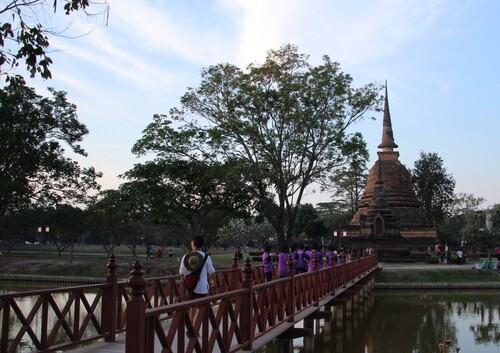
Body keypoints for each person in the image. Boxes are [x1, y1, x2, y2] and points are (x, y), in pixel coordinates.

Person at [179, 236, 216, 325]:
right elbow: (212, 272)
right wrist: (213, 282)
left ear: (193, 244)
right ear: (202, 245)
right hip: (202, 286)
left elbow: (181, 273)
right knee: (201, 308)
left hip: (190, 286)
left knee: (192, 306)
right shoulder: (206, 257)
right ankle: (195, 326)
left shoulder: (186, 256)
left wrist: (186, 283)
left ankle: (192, 325)